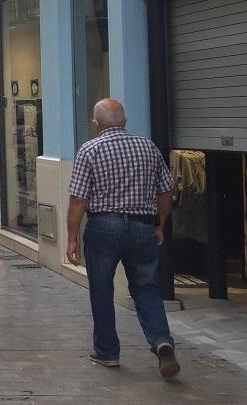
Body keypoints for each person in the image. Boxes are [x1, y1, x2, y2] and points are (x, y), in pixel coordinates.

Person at [66, 98, 180, 378]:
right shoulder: (147, 147)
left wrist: (71, 238)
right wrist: (159, 224)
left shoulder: (90, 149)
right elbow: (166, 191)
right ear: (125, 123)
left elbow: (79, 200)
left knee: (102, 289)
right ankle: (161, 340)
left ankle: (107, 352)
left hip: (103, 226)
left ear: (96, 124)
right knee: (146, 288)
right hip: (142, 227)